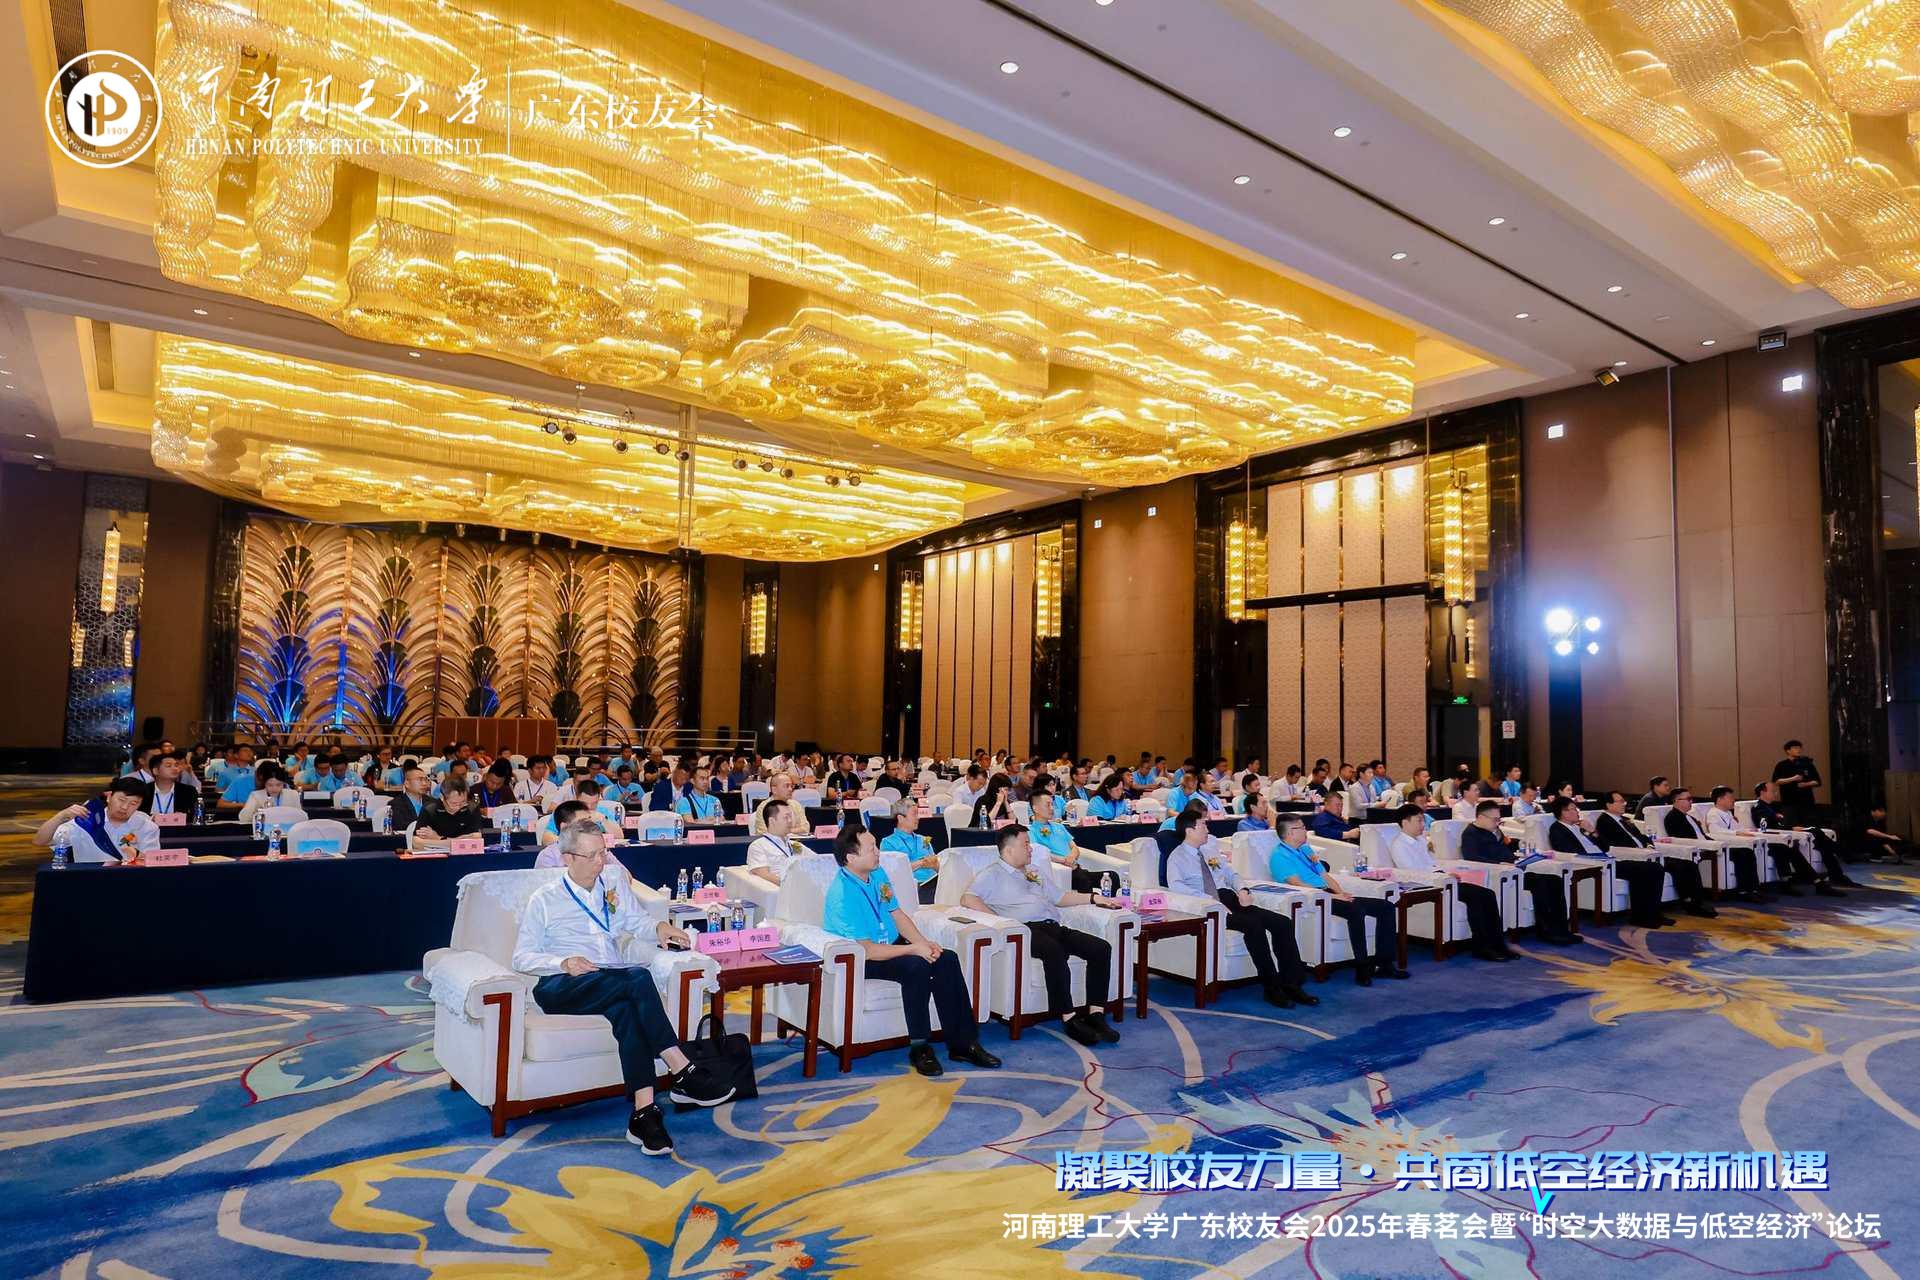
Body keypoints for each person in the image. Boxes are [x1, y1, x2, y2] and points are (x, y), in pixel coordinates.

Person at [512, 820, 733, 1154]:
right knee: (639, 978)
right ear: (568, 858)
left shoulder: (612, 882)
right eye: (591, 856)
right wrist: (563, 963)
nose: (601, 861)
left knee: (627, 1011)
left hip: (610, 978)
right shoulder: (545, 899)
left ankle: (644, 1113)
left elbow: (635, 921)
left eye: (603, 852)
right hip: (561, 985)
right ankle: (681, 1068)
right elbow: (521, 957)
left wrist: (659, 928)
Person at [822, 825, 1001, 1076]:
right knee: (915, 966)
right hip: (859, 957)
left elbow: (897, 914)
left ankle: (964, 1044)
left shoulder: (877, 873)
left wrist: (924, 944)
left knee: (946, 958)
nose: (878, 852)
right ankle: (920, 1047)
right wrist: (914, 951)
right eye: (871, 848)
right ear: (851, 857)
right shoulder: (842, 893)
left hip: (889, 945)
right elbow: (867, 950)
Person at [962, 826, 1123, 1045]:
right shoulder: (992, 874)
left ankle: (1096, 1014)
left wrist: (1094, 898)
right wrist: (1001, 922)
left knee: (1100, 948)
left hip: (1052, 926)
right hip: (1025, 930)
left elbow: (1060, 897)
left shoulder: (1034, 870)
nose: (1030, 848)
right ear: (1009, 850)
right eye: (1025, 844)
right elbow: (968, 899)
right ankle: (1068, 1017)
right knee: (1053, 951)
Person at [1159, 808, 1319, 1006]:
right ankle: (1271, 987)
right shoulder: (1177, 858)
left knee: (1282, 922)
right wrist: (1210, 900)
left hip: (1232, 899)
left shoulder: (1209, 851)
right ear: (1189, 830)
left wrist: (1242, 889)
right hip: (1210, 906)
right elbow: (1178, 888)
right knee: (1254, 926)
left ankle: (1292, 984)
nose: (1207, 829)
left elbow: (1230, 874)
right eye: (1203, 825)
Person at [1266, 812, 1401, 987]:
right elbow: (1299, 885)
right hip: (1313, 898)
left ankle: (1385, 964)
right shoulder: (1279, 856)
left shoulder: (1306, 849)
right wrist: (1332, 896)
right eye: (1302, 827)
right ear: (1291, 832)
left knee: (1386, 907)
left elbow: (1325, 876)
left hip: (1329, 893)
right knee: (1356, 910)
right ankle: (1362, 967)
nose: (1306, 830)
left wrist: (1341, 893)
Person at [1382, 803, 1513, 961]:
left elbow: (1433, 863)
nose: (1423, 825)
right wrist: (1442, 877)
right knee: (1477, 897)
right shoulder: (1399, 845)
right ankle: (1482, 947)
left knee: (1488, 894)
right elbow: (1411, 873)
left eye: (1423, 820)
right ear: (1405, 822)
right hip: (1430, 886)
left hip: (1443, 880)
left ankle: (1498, 945)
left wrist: (1446, 873)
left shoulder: (1420, 840)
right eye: (1419, 821)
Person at [1544, 796, 1673, 927]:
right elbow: (1569, 852)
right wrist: (1598, 858)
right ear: (1563, 812)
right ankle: (1641, 917)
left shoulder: (1580, 827)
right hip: (1596, 864)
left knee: (1654, 868)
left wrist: (1592, 831)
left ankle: (1652, 914)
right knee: (1649, 869)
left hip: (1607, 859)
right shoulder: (1557, 829)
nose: (1577, 812)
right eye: (1573, 809)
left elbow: (1606, 847)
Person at [1462, 799, 1577, 944]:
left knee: (1554, 880)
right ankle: (1547, 931)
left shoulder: (1494, 830)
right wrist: (1499, 864)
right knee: (1540, 884)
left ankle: (1561, 929)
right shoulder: (1470, 834)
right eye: (1495, 819)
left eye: (1499, 819)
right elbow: (1472, 857)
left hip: (1515, 868)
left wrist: (1520, 849)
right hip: (1500, 874)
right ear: (1480, 817)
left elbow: (1506, 846)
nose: (1497, 823)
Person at [1593, 790, 1714, 917]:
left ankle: (1696, 903)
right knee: (1667, 867)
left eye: (1624, 801)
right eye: (1620, 801)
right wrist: (1642, 851)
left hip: (1648, 852)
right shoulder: (1604, 821)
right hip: (1634, 856)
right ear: (1609, 805)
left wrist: (1649, 844)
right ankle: (1680, 906)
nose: (1624, 804)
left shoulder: (1624, 819)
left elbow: (1641, 836)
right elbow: (1613, 845)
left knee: (1688, 864)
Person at [1701, 784, 1834, 896]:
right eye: (1730, 797)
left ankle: (1801, 881)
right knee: (1781, 848)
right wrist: (1739, 833)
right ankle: (1810, 882)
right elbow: (1715, 831)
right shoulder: (1713, 814)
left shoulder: (1728, 813)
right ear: (1720, 799)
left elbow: (1740, 828)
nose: (1733, 800)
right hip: (1736, 844)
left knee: (1786, 847)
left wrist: (1750, 831)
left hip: (1749, 840)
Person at [1751, 781, 1856, 887]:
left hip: (1785, 832)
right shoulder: (1759, 807)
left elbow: (1778, 823)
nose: (1776, 793)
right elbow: (1767, 827)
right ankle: (1843, 858)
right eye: (1772, 791)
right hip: (1778, 836)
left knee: (1818, 835)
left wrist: (1792, 828)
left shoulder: (1770, 807)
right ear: (1762, 792)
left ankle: (1838, 868)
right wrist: (1792, 828)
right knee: (1816, 833)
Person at [35, 778, 162, 863]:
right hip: (89, 881)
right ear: (109, 797)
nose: (125, 807)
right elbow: (40, 841)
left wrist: (136, 855)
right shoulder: (87, 820)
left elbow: (151, 861)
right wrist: (61, 816)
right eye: (121, 800)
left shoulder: (146, 826)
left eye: (133, 803)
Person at [1028, 790, 1100, 891]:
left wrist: (1071, 857)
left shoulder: (1059, 826)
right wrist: (1064, 860)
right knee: (1083, 880)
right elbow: (1038, 853)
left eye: (1052, 804)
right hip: (1062, 872)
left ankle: (1114, 901)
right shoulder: (1030, 831)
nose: (1052, 808)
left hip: (1076, 869)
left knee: (1112, 876)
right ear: (1035, 808)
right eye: (1047, 805)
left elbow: (1074, 847)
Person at [880, 798, 941, 902]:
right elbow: (892, 872)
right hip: (910, 889)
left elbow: (937, 866)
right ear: (900, 818)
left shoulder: (923, 839)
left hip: (934, 885)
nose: (918, 818)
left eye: (918, 814)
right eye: (914, 814)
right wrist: (922, 863)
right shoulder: (888, 843)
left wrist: (935, 865)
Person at [414, 778, 484, 849]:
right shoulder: (430, 809)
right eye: (454, 803)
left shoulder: (471, 808)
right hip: (436, 854)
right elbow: (416, 842)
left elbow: (476, 839)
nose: (458, 807)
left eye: (463, 802)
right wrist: (458, 841)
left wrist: (438, 838)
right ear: (442, 797)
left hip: (465, 854)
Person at [746, 800, 801, 887]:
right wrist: (793, 885)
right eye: (786, 817)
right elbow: (764, 875)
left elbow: (815, 861)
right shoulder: (758, 846)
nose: (790, 821)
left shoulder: (794, 844)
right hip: (780, 890)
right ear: (772, 821)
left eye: (791, 817)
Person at [1771, 740, 1823, 826]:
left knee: (1808, 826)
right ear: (1788, 751)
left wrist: (1805, 784)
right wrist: (1793, 779)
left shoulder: (1807, 764)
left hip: (1807, 802)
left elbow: (1817, 781)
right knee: (1790, 825)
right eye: (1795, 748)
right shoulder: (1782, 765)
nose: (1798, 750)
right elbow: (1776, 781)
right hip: (1789, 802)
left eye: (1800, 748)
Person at [139, 749, 202, 818]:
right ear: (155, 771)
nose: (175, 768)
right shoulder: (142, 791)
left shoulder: (189, 791)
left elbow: (196, 817)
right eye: (168, 766)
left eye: (176, 765)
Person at [751, 772, 808, 838]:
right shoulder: (764, 807)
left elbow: (805, 828)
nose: (790, 789)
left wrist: (784, 831)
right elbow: (764, 832)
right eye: (786, 786)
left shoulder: (796, 805)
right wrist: (792, 831)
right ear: (774, 789)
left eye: (791, 786)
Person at [388, 766, 433, 830]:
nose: (424, 783)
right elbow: (401, 827)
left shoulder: (432, 802)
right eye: (420, 779)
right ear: (407, 783)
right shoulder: (395, 805)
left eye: (426, 779)